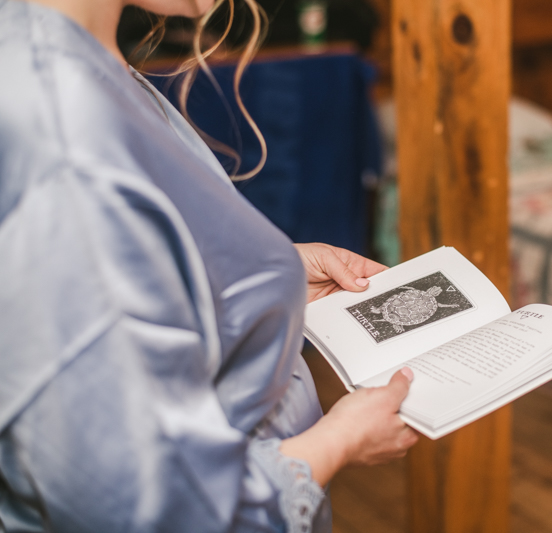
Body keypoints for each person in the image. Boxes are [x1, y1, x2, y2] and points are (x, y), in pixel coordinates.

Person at [0, 0, 418, 531]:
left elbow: (115, 271)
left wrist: (259, 279)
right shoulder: (60, 123)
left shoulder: (86, 61)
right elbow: (146, 505)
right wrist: (338, 442)